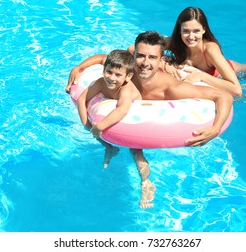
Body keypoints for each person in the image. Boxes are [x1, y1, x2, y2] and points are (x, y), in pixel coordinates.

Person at [66, 31, 233, 208]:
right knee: (132, 147)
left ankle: (146, 182)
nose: (145, 63)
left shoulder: (172, 89)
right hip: (128, 112)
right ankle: (113, 150)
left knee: (136, 151)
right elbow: (103, 58)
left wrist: (215, 129)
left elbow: (223, 96)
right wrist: (78, 68)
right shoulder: (125, 72)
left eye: (152, 57)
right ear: (134, 55)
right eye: (141, 56)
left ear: (161, 60)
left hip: (158, 108)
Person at [128, 7, 246, 98]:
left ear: (204, 30)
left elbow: (236, 90)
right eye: (186, 31)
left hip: (229, 71)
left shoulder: (210, 49)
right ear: (179, 30)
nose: (191, 37)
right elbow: (133, 49)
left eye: (196, 31)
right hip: (207, 75)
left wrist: (201, 76)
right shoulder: (173, 41)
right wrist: (163, 63)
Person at [77, 49, 141, 169]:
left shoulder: (125, 90)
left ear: (128, 76)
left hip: (135, 122)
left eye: (118, 75)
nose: (111, 78)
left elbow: (122, 110)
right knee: (93, 130)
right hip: (112, 115)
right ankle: (109, 147)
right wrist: (87, 124)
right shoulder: (101, 83)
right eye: (109, 72)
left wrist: (100, 126)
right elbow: (82, 99)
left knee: (136, 152)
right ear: (104, 70)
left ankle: (145, 180)